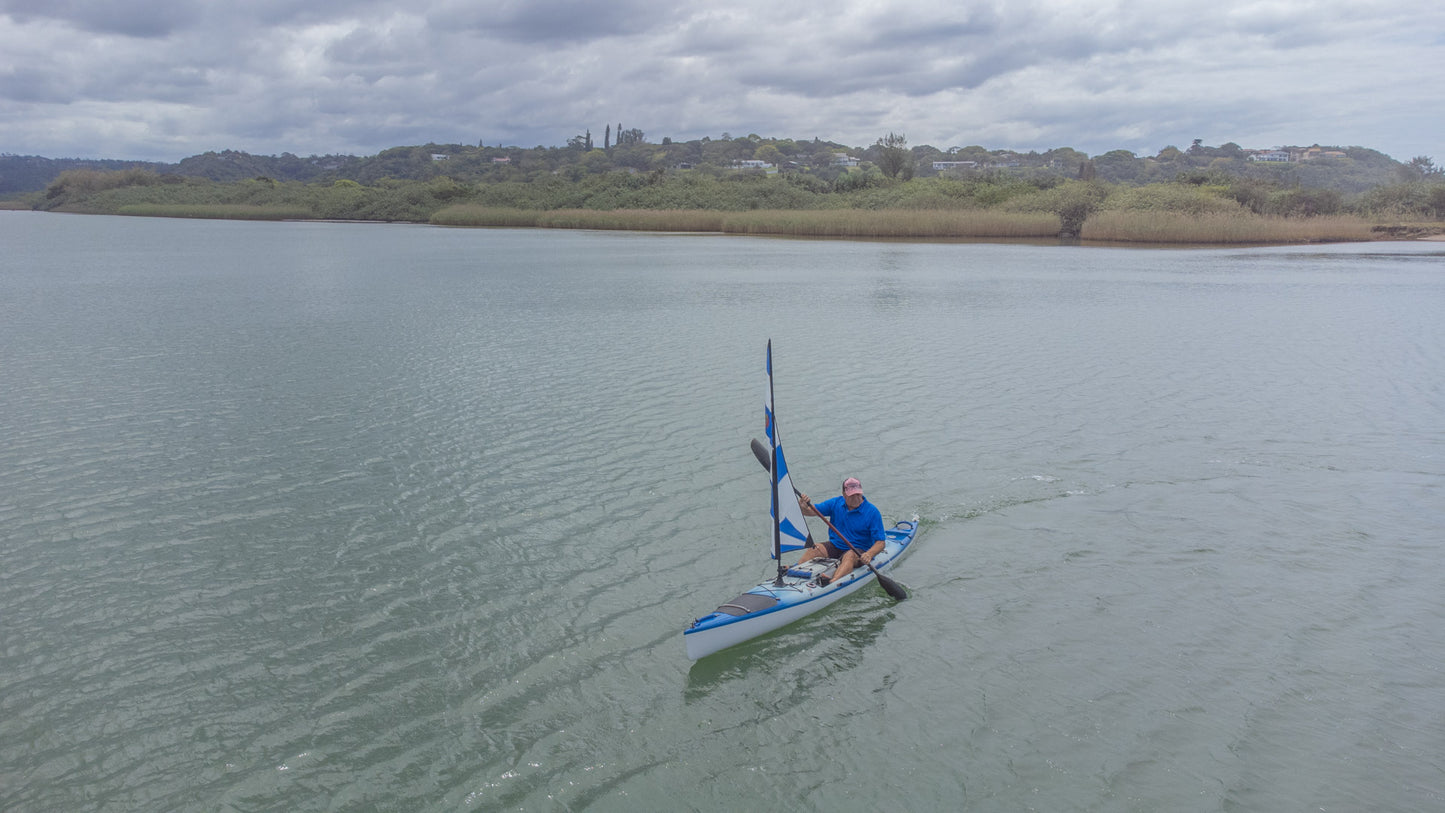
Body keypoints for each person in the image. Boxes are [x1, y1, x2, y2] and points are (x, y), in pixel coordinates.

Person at [796, 477, 886, 586]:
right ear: (844, 494)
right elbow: (810, 512)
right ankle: (795, 573)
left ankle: (832, 583)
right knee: (815, 548)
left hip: (859, 551)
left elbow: (880, 543)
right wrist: (803, 506)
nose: (856, 498)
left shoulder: (872, 512)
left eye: (858, 494)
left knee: (849, 555)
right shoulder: (835, 503)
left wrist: (869, 554)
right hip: (836, 546)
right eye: (852, 495)